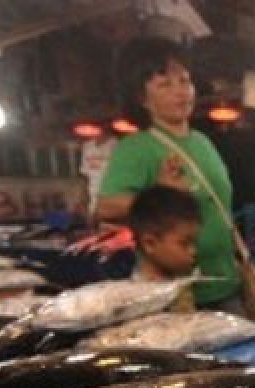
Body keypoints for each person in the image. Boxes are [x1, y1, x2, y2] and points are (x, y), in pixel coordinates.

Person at [98, 39, 242, 313]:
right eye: (165, 85)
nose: (181, 92)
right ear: (142, 99)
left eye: (185, 81)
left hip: (226, 282)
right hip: (177, 294)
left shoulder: (202, 141)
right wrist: (159, 193)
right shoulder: (136, 147)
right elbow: (104, 208)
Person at [128, 184, 200, 312]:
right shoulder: (139, 298)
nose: (193, 251)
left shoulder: (179, 277)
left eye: (194, 243)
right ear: (150, 243)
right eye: (184, 243)